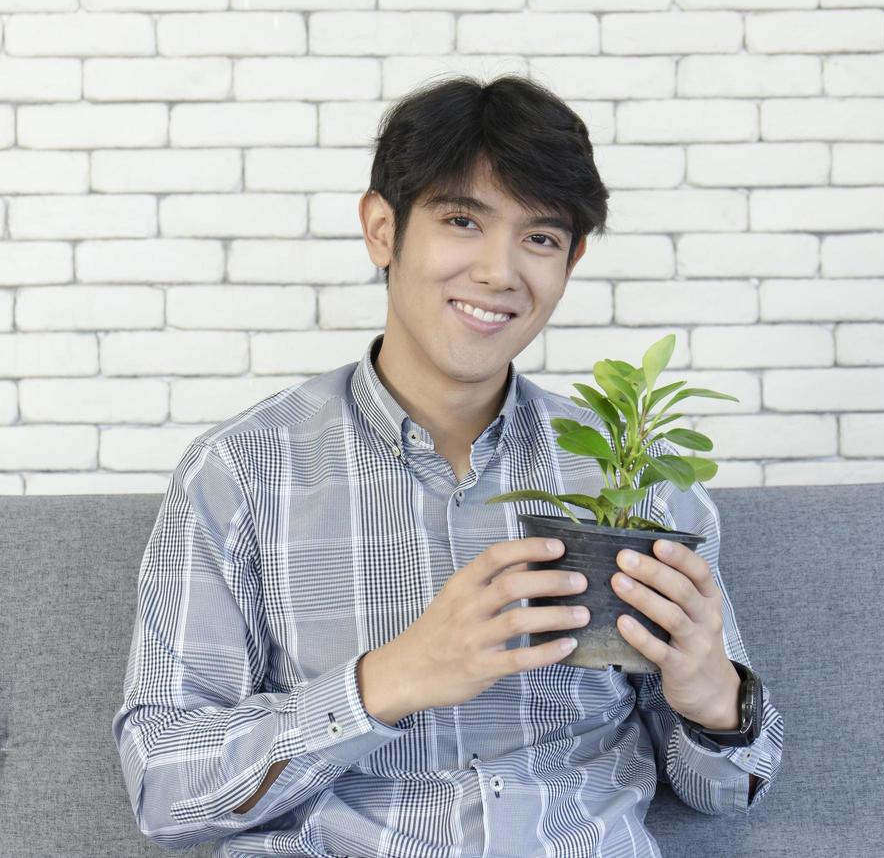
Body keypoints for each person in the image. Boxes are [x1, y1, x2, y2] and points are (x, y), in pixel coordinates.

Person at [112, 74, 783, 856]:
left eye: (539, 237)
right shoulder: (242, 473)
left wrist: (714, 703)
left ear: (571, 261)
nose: (500, 271)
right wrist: (387, 683)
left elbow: (729, 792)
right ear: (381, 229)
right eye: (462, 220)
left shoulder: (636, 480)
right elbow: (162, 788)